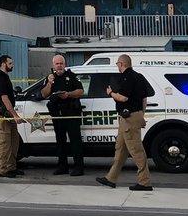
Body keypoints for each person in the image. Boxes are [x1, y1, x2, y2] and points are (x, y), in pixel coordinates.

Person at [96, 54, 155, 191]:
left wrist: (110, 93)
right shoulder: (139, 77)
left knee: (136, 150)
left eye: (117, 64)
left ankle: (145, 182)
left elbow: (123, 98)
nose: (117, 67)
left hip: (129, 118)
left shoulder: (127, 78)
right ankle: (111, 178)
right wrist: (141, 114)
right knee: (121, 149)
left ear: (121, 64)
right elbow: (144, 99)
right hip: (132, 116)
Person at [41, 54, 84, 175]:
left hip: (71, 112)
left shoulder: (72, 76)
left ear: (64, 65)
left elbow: (80, 91)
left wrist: (68, 95)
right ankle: (62, 166)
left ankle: (78, 167)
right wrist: (49, 83)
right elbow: (44, 94)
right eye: (57, 64)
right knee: (60, 141)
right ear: (53, 65)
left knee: (75, 141)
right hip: (57, 113)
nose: (59, 66)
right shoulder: (50, 78)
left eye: (61, 63)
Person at [0, 54, 25, 178]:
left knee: (14, 141)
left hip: (8, 113)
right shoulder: (0, 79)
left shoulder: (6, 77)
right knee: (4, 142)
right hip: (3, 113)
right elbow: (4, 99)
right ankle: (2, 169)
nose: (12, 66)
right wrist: (15, 115)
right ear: (3, 64)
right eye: (10, 63)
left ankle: (11, 167)